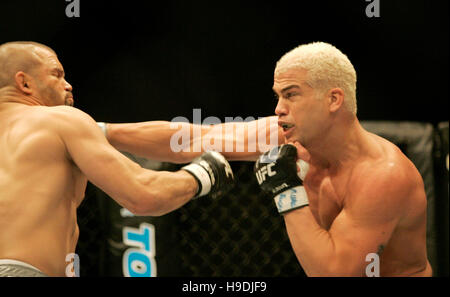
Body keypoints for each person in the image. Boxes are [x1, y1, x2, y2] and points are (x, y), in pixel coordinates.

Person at [0, 41, 234, 277]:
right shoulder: (60, 120)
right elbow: (144, 195)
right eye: (57, 75)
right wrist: (203, 173)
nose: (68, 85)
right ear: (24, 82)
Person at [254, 42, 432, 276]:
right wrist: (194, 178)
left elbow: (333, 273)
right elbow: (200, 138)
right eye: (278, 96)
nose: (278, 109)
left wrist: (286, 191)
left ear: (333, 99)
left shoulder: (384, 176)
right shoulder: (293, 137)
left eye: (291, 95)